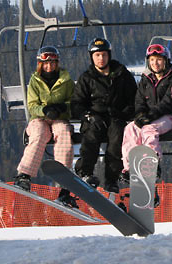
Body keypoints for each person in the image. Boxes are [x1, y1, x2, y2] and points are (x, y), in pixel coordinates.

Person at [71, 38, 137, 193]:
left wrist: (122, 113)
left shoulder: (122, 75)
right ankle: (85, 172)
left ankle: (112, 179)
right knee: (91, 137)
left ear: (109, 55)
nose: (101, 59)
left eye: (104, 55)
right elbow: (77, 103)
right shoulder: (87, 78)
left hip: (116, 117)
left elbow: (134, 99)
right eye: (97, 55)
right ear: (92, 57)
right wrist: (87, 115)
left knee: (116, 139)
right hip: (95, 117)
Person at [14, 46, 76, 207]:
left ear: (57, 63)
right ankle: (24, 175)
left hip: (59, 118)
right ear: (40, 64)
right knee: (39, 135)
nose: (50, 66)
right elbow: (32, 105)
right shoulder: (35, 81)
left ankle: (64, 181)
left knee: (63, 133)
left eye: (53, 63)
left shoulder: (66, 80)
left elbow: (74, 102)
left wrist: (63, 108)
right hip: (40, 118)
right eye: (46, 63)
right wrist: (44, 110)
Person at [121, 44, 172, 181]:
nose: (155, 63)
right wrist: (140, 114)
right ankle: (130, 167)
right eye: (152, 60)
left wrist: (150, 116)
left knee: (148, 130)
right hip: (151, 117)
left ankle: (151, 164)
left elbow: (170, 102)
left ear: (165, 61)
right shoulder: (146, 79)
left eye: (158, 60)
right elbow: (139, 100)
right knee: (130, 128)